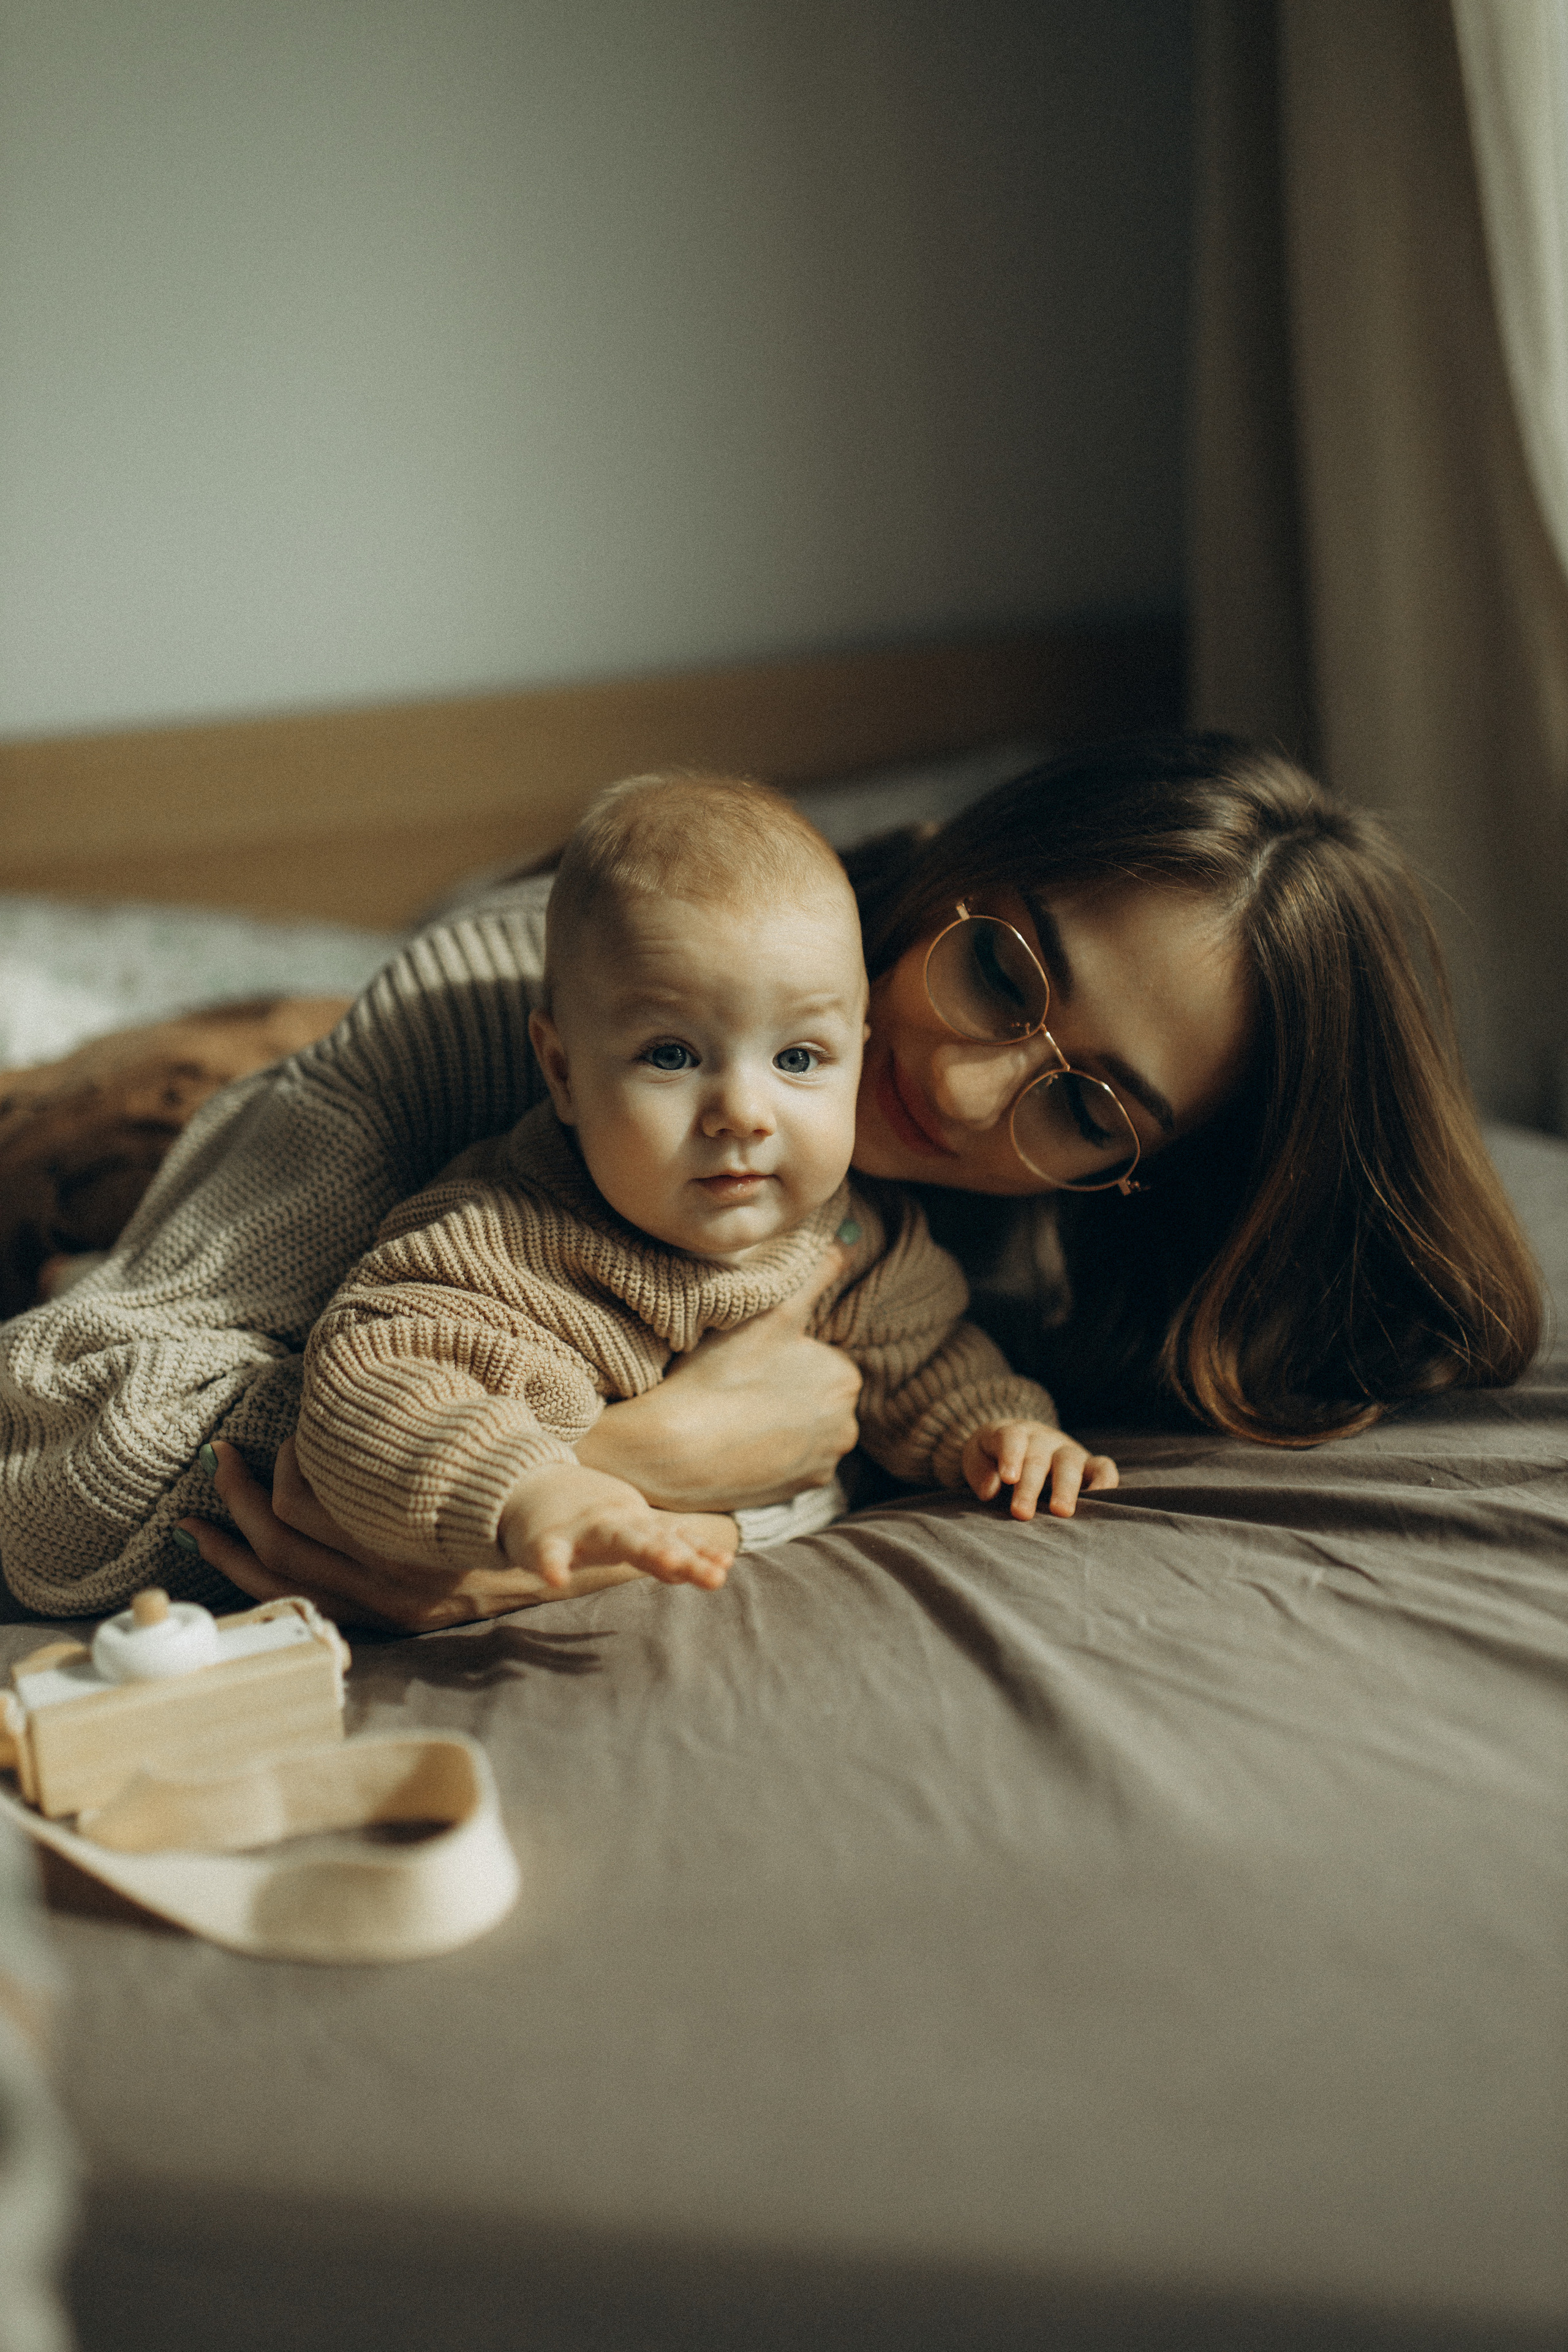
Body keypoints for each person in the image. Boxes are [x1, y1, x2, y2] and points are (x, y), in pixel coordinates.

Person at [0, 734, 1540, 1630]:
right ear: (958, 857)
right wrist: (609, 1468)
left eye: (1083, 1104)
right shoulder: (487, 1012)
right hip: (190, 1102)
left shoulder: (1013, 1240)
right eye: (999, 971)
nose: (961, 1088)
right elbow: (57, 1481)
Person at [293, 774, 1097, 1601]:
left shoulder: (860, 1241)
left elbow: (928, 1363)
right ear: (563, 1071)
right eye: (671, 1055)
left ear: (856, 1053)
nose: (743, 1113)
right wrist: (533, 1490)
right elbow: (367, 1381)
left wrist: (999, 1431)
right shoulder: (498, 1242)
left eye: (798, 1058)